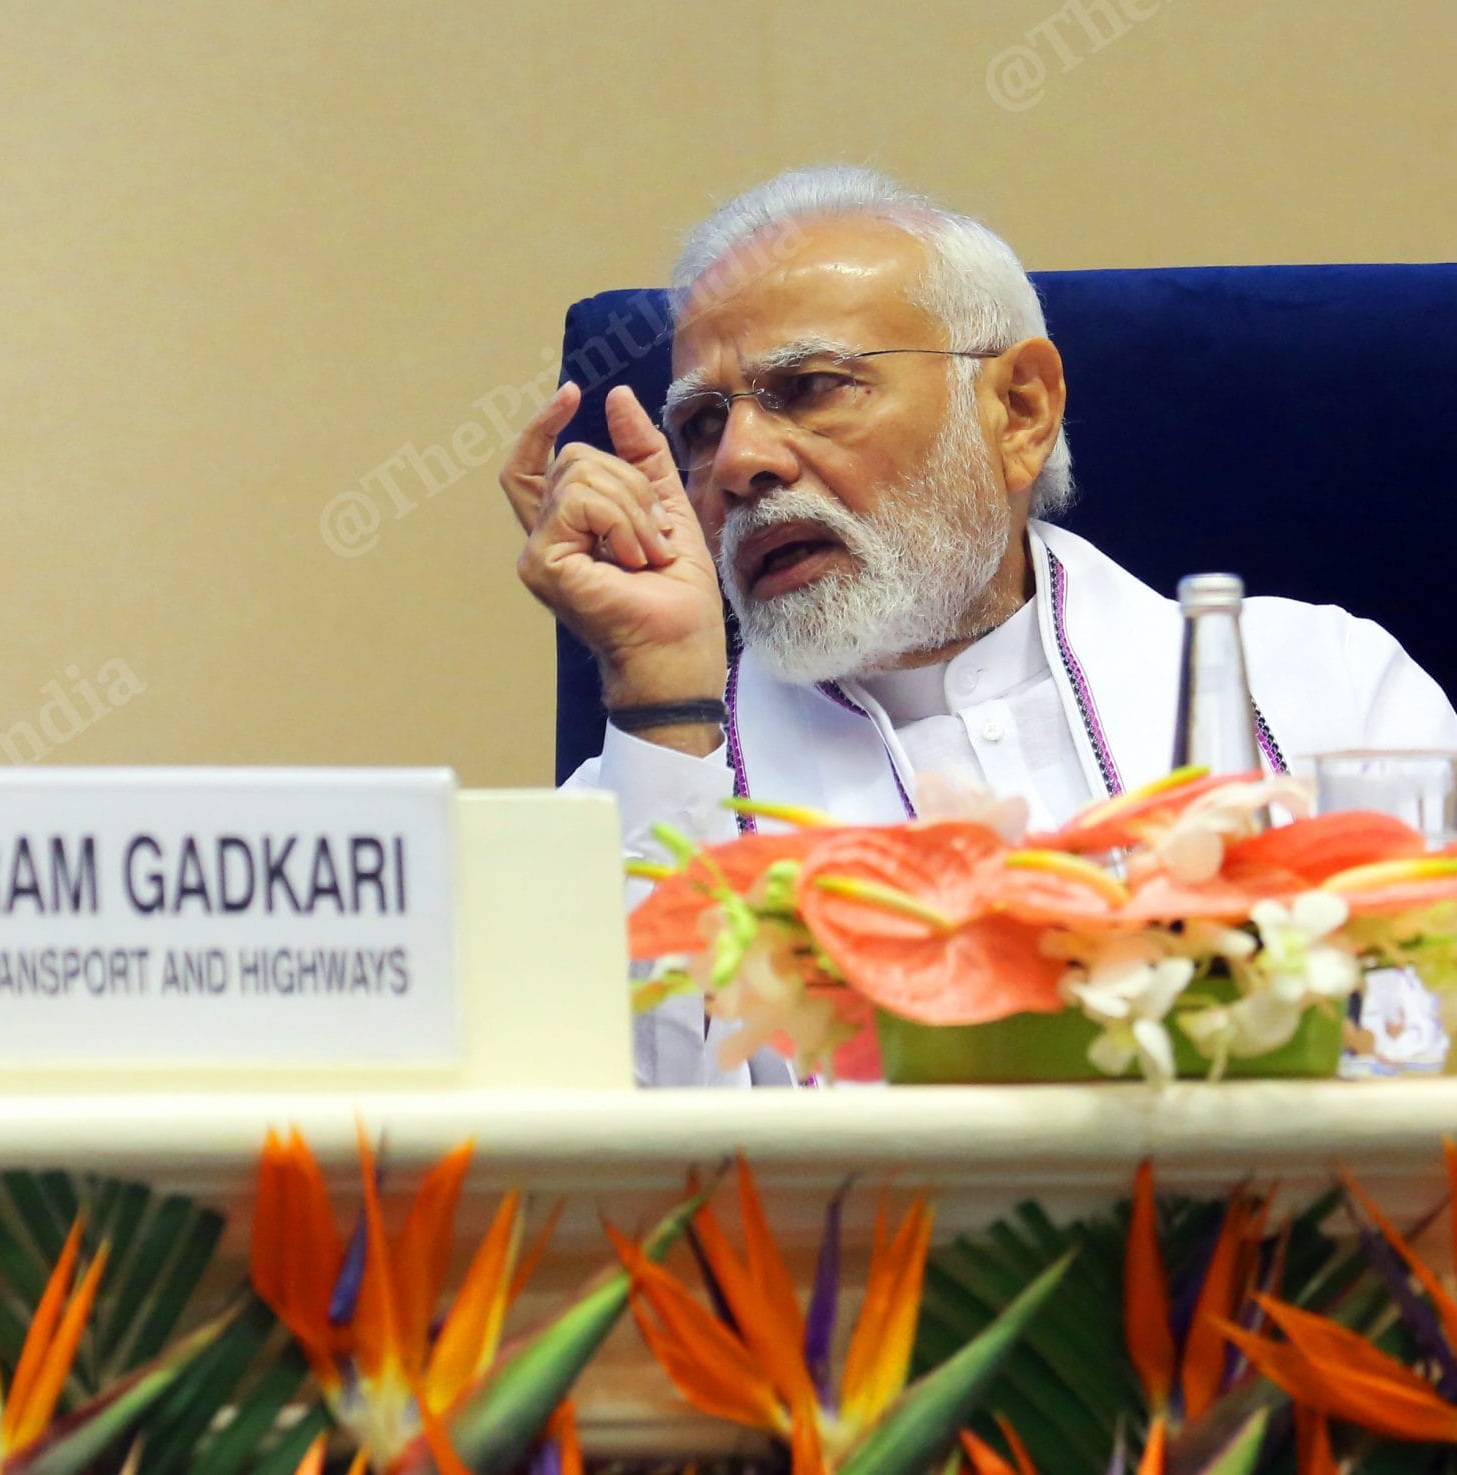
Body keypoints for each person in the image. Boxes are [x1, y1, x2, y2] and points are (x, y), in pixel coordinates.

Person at [502, 165, 1457, 1086]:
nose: (742, 460)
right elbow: (613, 1178)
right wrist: (662, 686)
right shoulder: (640, 793)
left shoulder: (1326, 687)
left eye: (812, 387)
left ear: (1019, 410)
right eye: (704, 423)